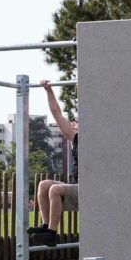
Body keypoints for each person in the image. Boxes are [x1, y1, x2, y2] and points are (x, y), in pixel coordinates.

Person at [28, 80, 78, 247]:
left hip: (92, 189)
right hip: (78, 187)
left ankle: (52, 233)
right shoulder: (75, 139)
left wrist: (83, 90)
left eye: (76, 123)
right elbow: (57, 114)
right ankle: (45, 225)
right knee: (44, 185)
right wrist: (49, 90)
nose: (72, 124)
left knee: (55, 189)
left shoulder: (93, 139)